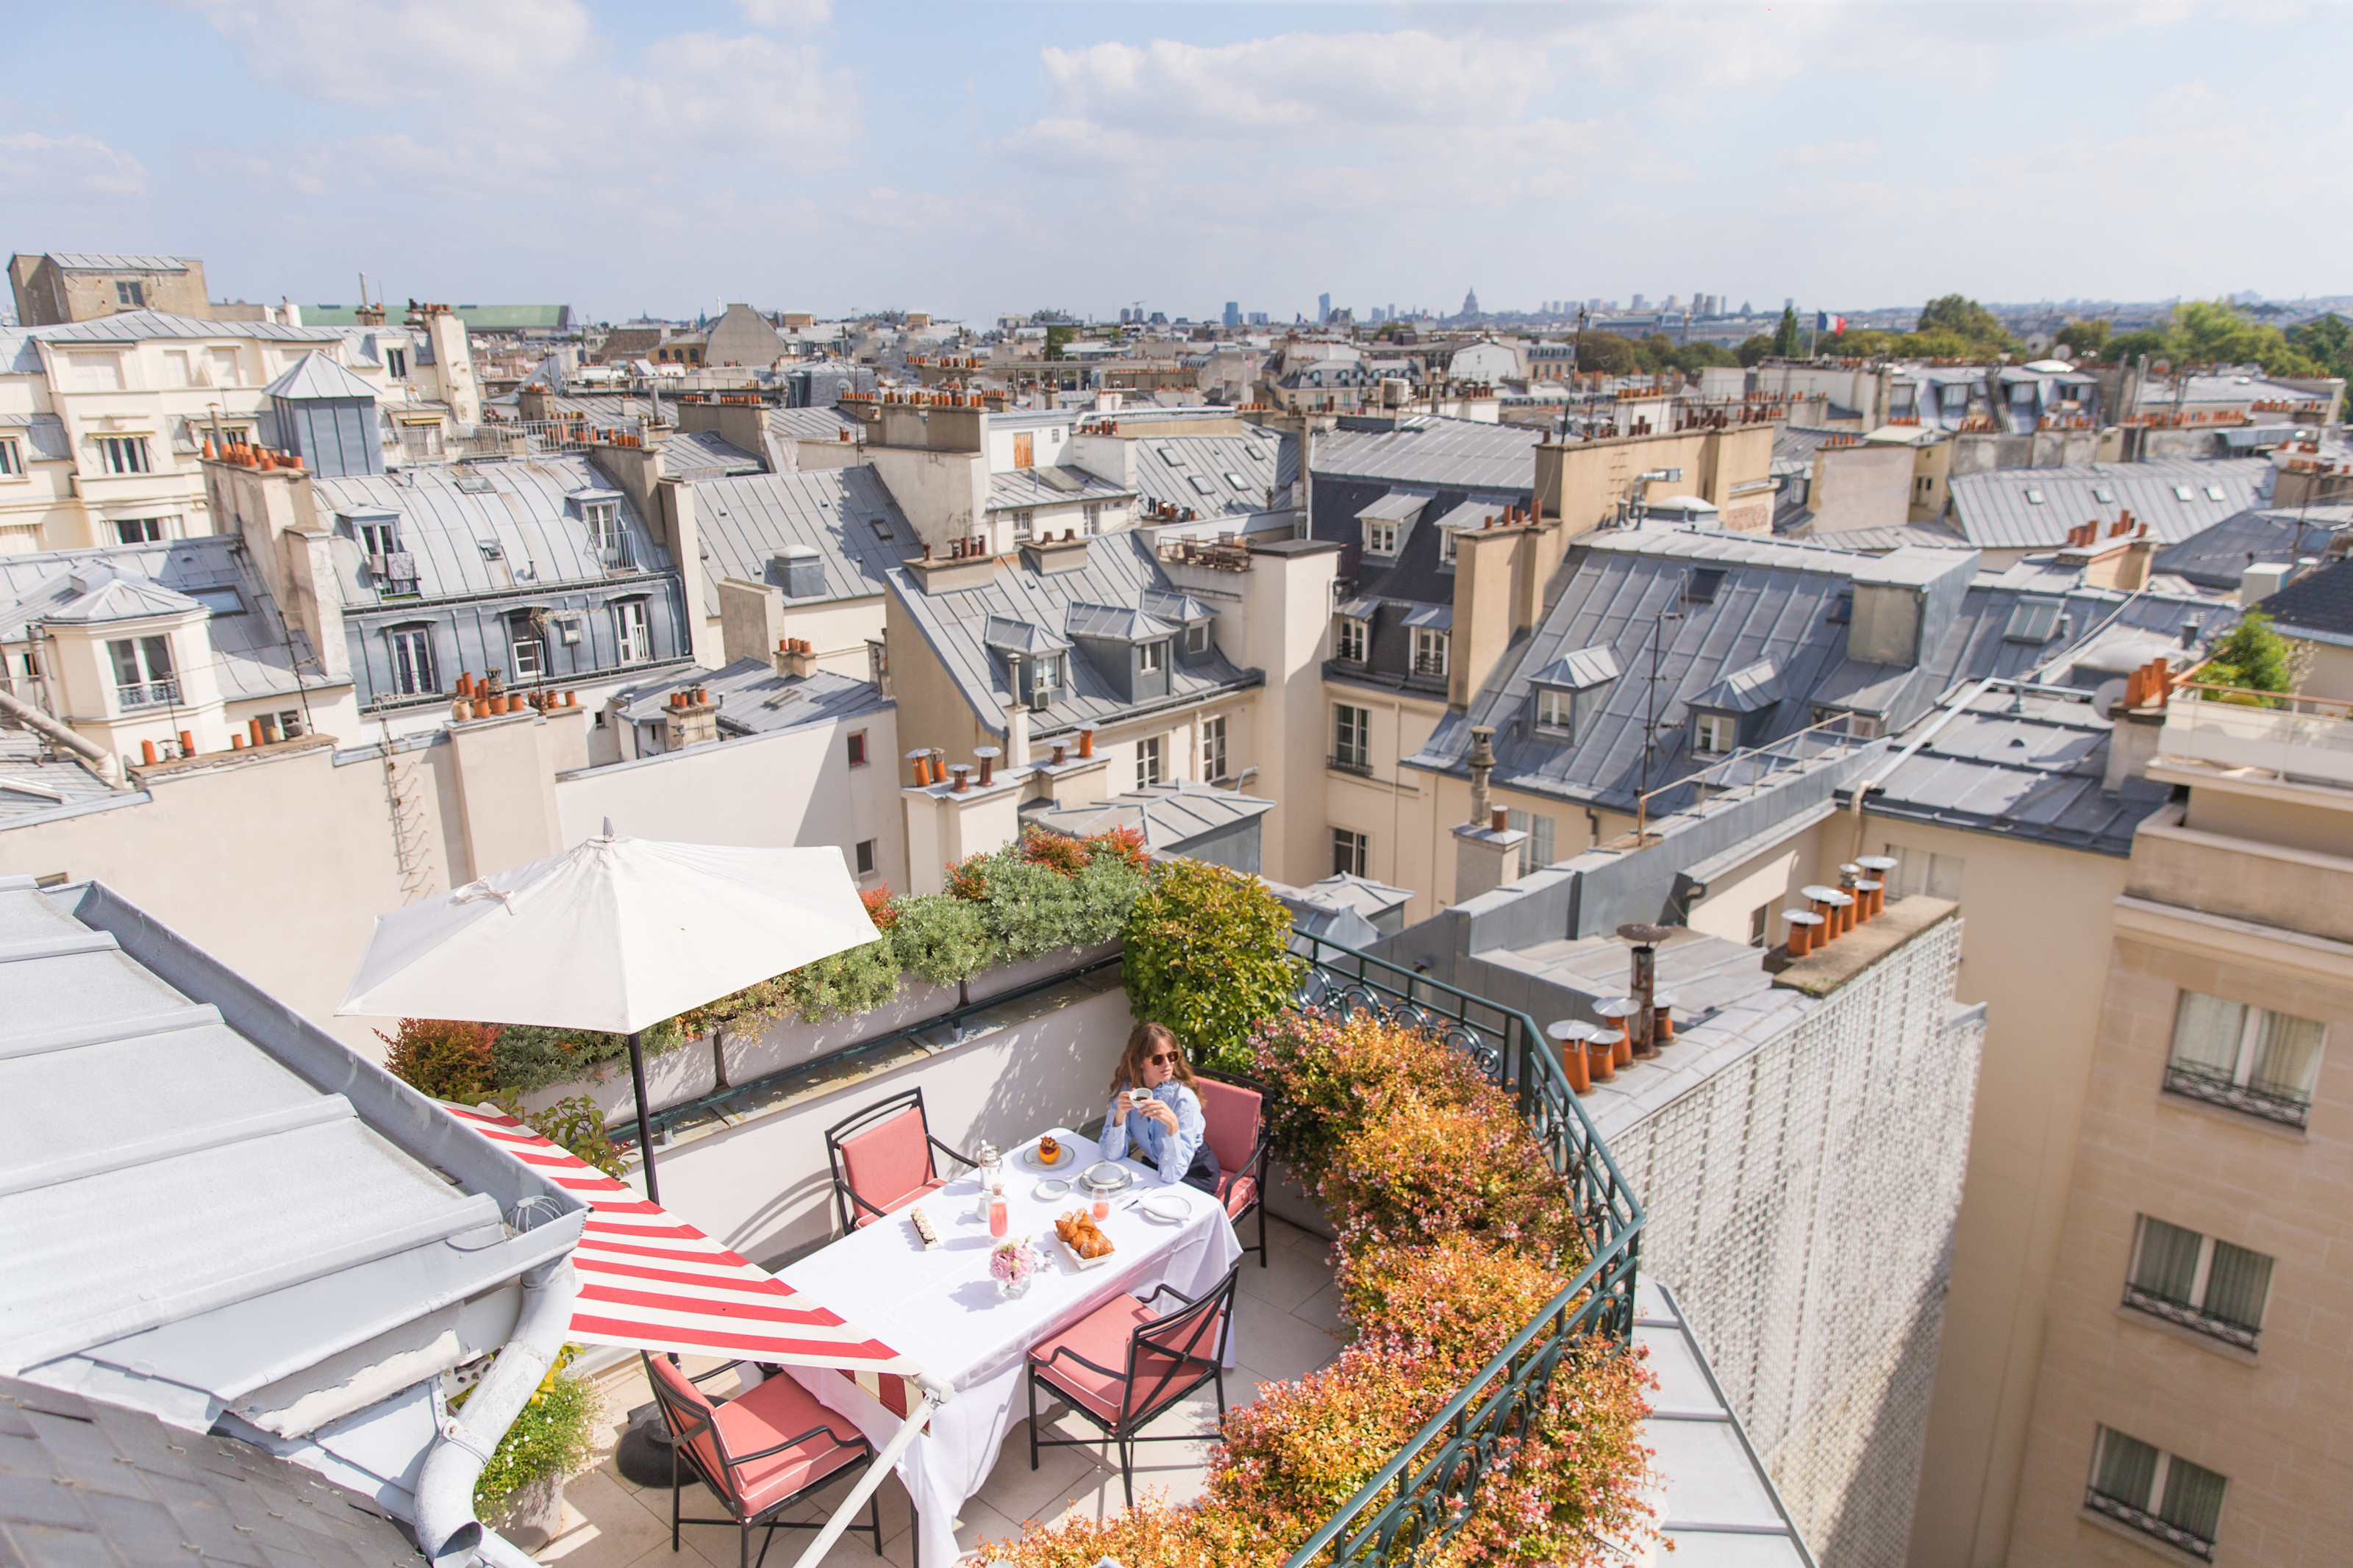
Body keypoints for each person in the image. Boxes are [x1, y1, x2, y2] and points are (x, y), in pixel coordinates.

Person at [1096, 1021, 1220, 1195]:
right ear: (1140, 1062)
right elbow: (1111, 1154)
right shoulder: (1127, 1091)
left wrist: (1172, 1127)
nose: (1167, 1064)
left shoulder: (1183, 1100)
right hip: (1156, 1166)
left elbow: (1172, 1175)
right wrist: (1120, 1117)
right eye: (1157, 1059)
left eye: (1172, 1056)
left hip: (1194, 1171)